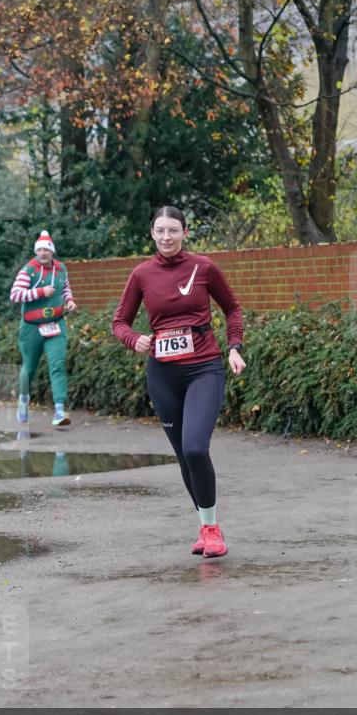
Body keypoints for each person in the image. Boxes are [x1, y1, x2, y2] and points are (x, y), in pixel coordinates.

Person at [112, 206, 246, 558]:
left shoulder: (204, 267)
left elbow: (232, 307)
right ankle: (206, 527)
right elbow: (120, 322)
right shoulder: (141, 274)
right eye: (160, 230)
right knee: (184, 457)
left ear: (185, 232)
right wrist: (133, 339)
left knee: (195, 448)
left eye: (173, 230)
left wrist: (234, 347)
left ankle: (213, 531)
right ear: (152, 234)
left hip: (204, 369)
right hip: (163, 375)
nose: (166, 237)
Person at [10, 231, 77, 427]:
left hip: (56, 323)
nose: (42, 253)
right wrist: (40, 292)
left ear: (52, 251)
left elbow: (65, 288)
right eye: (39, 250)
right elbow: (15, 295)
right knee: (29, 367)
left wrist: (70, 300)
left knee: (58, 364)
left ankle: (59, 410)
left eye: (46, 250)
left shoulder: (61, 269)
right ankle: (24, 399)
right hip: (32, 326)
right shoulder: (28, 270)